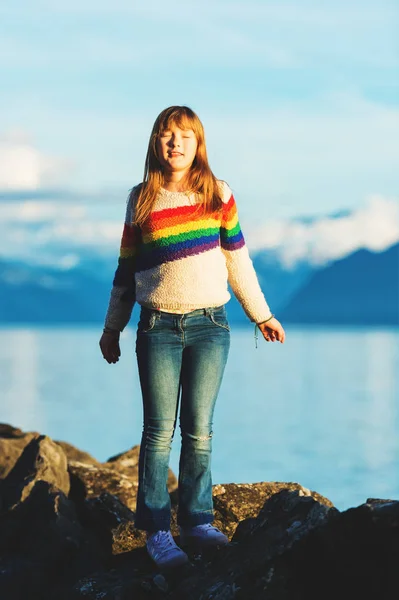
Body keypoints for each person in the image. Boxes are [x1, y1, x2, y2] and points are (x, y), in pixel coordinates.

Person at [99, 105, 285, 569]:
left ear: (198, 143)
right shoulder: (141, 199)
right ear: (155, 143)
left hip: (210, 327)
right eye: (166, 135)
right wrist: (112, 328)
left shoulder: (218, 194)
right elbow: (125, 271)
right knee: (158, 432)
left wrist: (261, 314)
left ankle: (197, 523)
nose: (175, 143)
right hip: (157, 327)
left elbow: (237, 261)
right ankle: (158, 532)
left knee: (199, 431)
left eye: (184, 135)